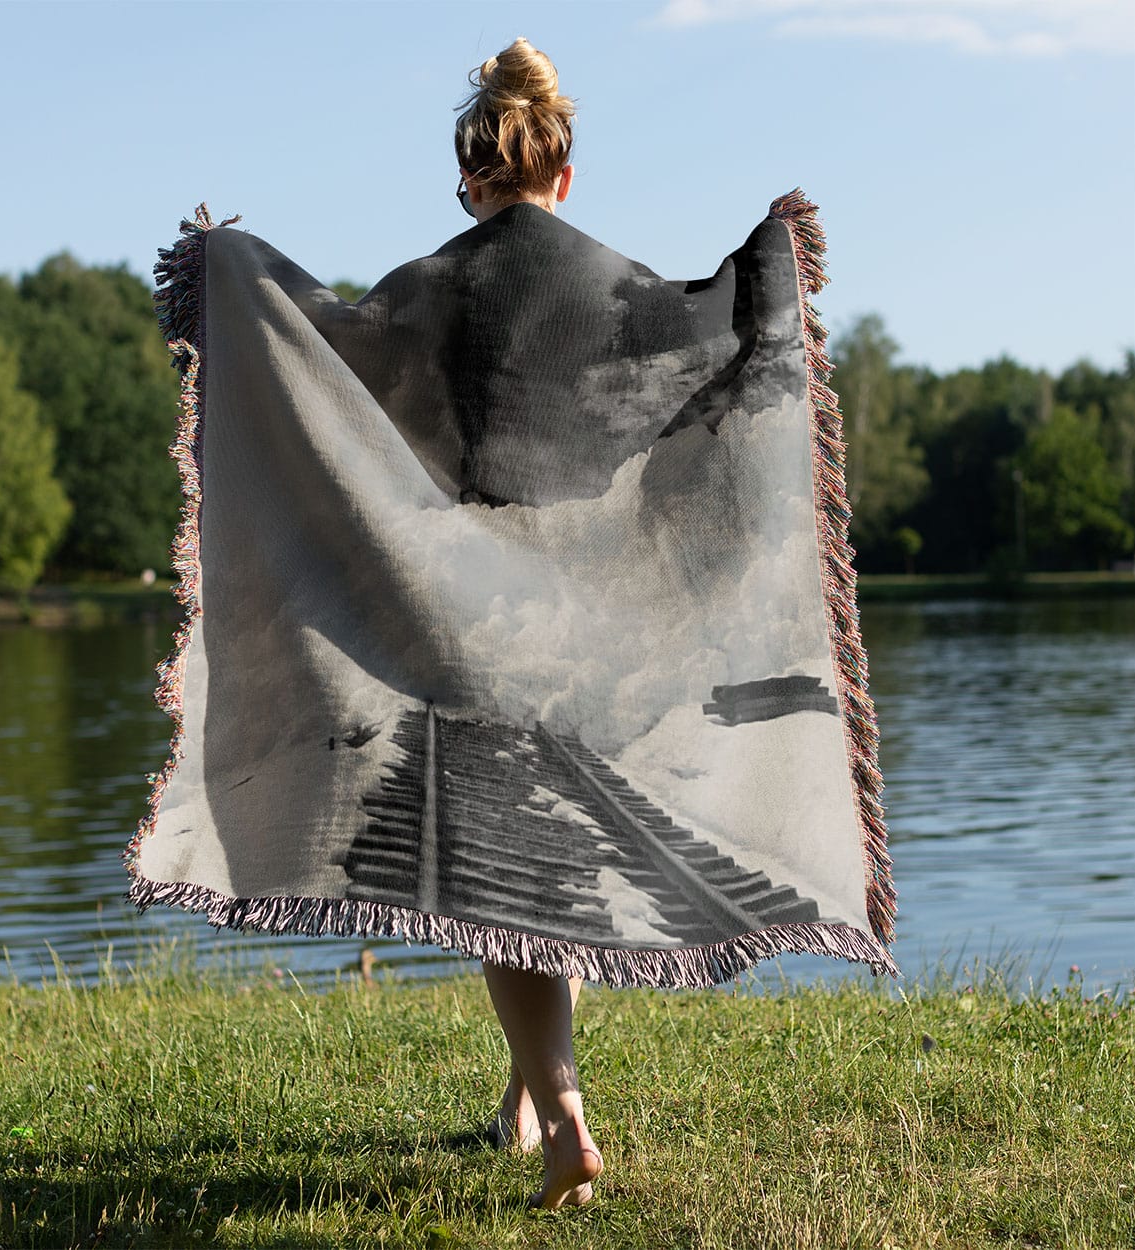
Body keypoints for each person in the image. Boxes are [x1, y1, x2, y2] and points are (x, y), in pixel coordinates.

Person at [450, 36, 604, 1212]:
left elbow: (334, 373)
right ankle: (519, 1098)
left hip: (477, 609)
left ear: (472, 179)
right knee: (547, 866)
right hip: (596, 613)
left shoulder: (436, 282)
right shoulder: (611, 281)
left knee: (498, 881)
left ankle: (563, 1118)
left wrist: (232, 278)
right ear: (561, 172)